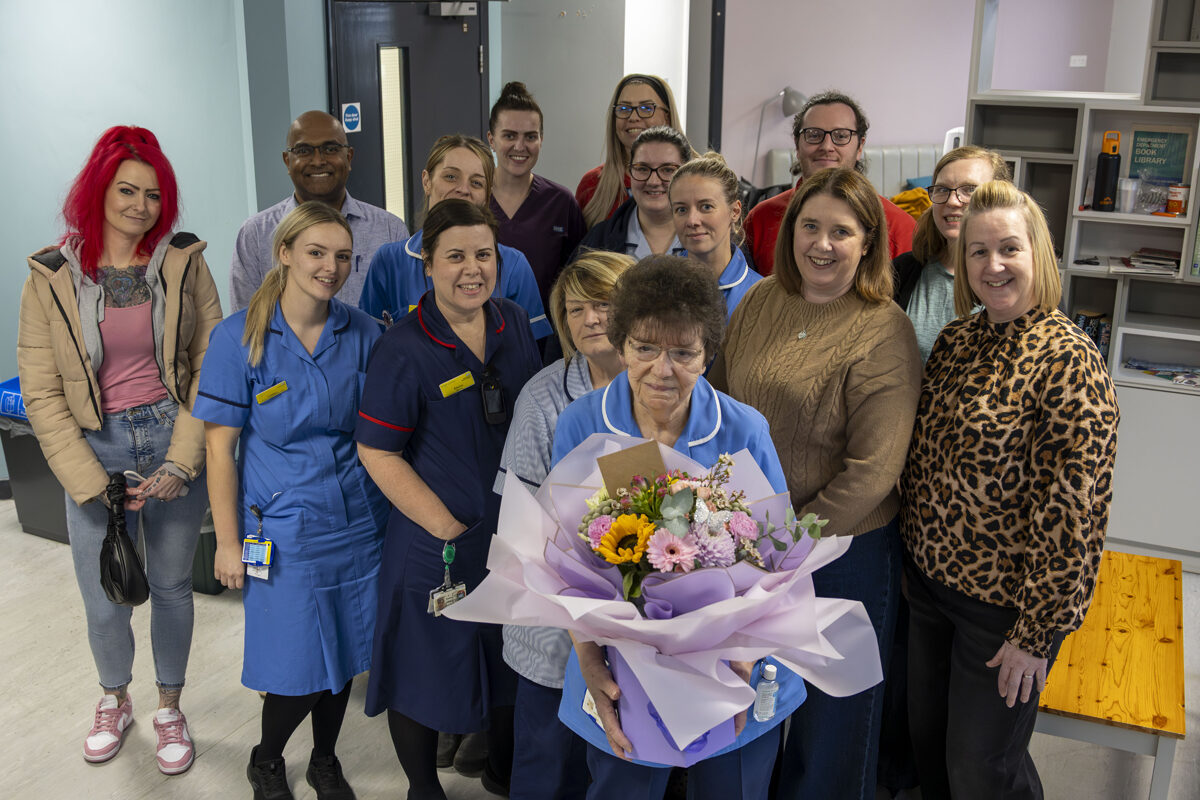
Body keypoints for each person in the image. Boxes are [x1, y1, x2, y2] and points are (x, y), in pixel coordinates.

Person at [900, 181, 1119, 800]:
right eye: (977, 251)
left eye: (1009, 249)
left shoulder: (1070, 360)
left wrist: (1037, 633)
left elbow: (1076, 513)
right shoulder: (956, 341)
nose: (992, 266)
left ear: (1037, 256)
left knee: (981, 772)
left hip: (1002, 614)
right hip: (929, 590)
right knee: (933, 754)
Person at [550, 255, 798, 800]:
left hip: (735, 661)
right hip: (617, 663)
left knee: (729, 788)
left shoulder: (742, 428)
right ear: (620, 344)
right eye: (644, 348)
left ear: (708, 354)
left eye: (684, 352)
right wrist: (590, 659)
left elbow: (780, 559)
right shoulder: (583, 424)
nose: (663, 369)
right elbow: (559, 562)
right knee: (623, 788)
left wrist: (739, 660)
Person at [709, 167, 922, 800]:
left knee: (832, 729)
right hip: (747, 546)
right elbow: (719, 404)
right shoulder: (759, 300)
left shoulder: (883, 329)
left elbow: (873, 472)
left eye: (841, 231)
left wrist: (784, 542)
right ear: (789, 231)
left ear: (868, 243)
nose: (822, 245)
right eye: (810, 227)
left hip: (843, 557)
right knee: (756, 706)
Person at [17, 125, 221, 775]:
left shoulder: (184, 262)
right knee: (105, 593)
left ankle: (169, 707)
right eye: (126, 190)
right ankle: (113, 699)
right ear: (98, 189)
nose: (140, 205)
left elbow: (207, 366)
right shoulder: (51, 275)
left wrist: (180, 462)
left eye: (154, 194)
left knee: (170, 586)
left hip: (169, 433)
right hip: (94, 442)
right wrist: (88, 480)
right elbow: (41, 390)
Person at [195, 201, 388, 800]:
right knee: (295, 664)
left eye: (342, 257)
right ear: (284, 253)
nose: (330, 267)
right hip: (276, 529)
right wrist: (227, 543)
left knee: (347, 653)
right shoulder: (238, 340)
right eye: (316, 252)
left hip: (358, 521)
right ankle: (267, 758)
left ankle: (325, 761)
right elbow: (219, 449)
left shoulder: (363, 332)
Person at [355, 199, 542, 800]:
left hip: (509, 538)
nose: (471, 269)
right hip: (434, 540)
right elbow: (378, 452)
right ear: (427, 265)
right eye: (454, 256)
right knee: (422, 671)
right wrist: (448, 528)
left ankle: (498, 770)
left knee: (506, 663)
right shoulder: (404, 346)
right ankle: (421, 788)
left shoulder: (512, 322)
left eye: (483, 255)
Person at [496, 250, 634, 800]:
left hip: (635, 623)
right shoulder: (544, 396)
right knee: (547, 764)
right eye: (576, 310)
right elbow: (519, 517)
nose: (591, 319)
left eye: (604, 304)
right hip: (554, 621)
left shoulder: (660, 388)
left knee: (617, 762)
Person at [358, 134, 552, 342]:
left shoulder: (513, 265)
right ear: (427, 181)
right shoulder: (389, 261)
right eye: (451, 177)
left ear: (487, 195)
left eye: (476, 183)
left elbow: (531, 356)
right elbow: (371, 347)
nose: (463, 189)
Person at [229, 110, 409, 310]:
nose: (318, 161)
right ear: (287, 161)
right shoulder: (255, 234)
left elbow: (405, 313)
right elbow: (245, 322)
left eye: (331, 149)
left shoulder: (390, 230)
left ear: (349, 157)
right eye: (303, 151)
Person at [743, 91, 915, 275]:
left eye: (841, 136)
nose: (826, 146)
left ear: (860, 147)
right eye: (814, 134)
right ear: (797, 145)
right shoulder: (760, 219)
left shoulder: (900, 227)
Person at [893, 146, 1011, 362]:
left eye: (970, 190)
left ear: (1001, 198)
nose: (952, 201)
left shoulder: (1017, 278)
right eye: (942, 189)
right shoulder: (903, 270)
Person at [487, 81, 586, 310]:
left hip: (545, 337)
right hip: (479, 333)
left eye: (530, 137)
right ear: (491, 140)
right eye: (509, 136)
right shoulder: (473, 199)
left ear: (541, 139)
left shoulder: (560, 203)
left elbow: (578, 277)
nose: (520, 146)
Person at [576, 74, 685, 228]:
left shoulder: (701, 179)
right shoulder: (593, 184)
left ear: (667, 117)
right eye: (624, 109)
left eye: (646, 108)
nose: (633, 117)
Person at [668, 152, 763, 321]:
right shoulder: (656, 288)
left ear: (734, 211)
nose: (692, 221)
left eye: (706, 207)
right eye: (681, 209)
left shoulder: (762, 296)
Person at [576, 127, 693, 260]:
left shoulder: (710, 239)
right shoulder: (598, 241)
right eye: (642, 169)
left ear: (687, 174)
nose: (653, 181)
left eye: (667, 170)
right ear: (629, 172)